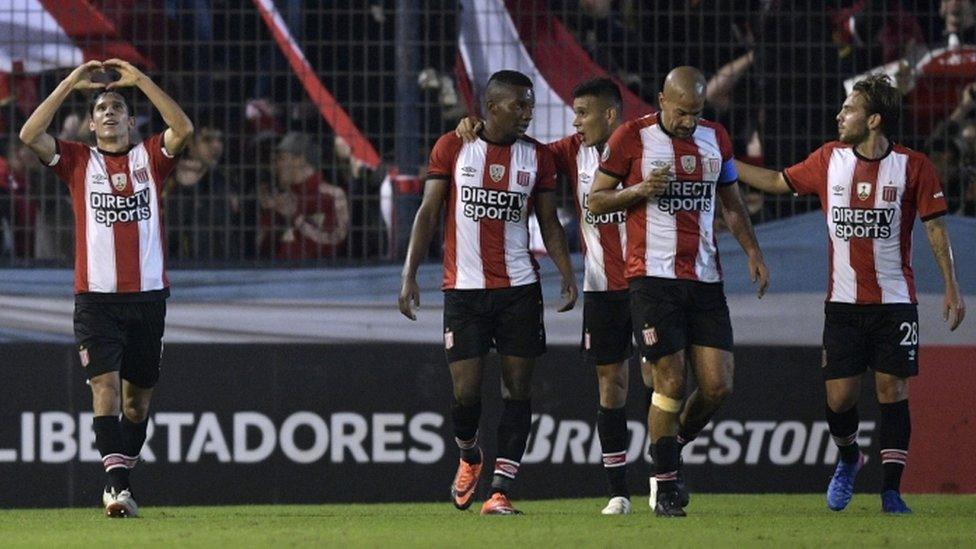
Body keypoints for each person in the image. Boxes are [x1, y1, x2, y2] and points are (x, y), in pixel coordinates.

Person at [734, 73, 966, 514]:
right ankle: (848, 458)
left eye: (849, 108)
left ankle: (891, 491)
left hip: (895, 301)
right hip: (842, 304)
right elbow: (777, 181)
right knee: (839, 399)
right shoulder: (828, 160)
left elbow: (936, 227)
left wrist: (951, 286)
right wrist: (725, 161)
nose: (840, 114)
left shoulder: (914, 166)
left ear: (874, 119)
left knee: (891, 390)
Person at [588, 66, 769, 517]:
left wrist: (752, 251)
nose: (690, 120)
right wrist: (641, 190)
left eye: (697, 112)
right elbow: (595, 199)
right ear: (663, 101)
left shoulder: (717, 138)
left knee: (717, 386)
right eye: (683, 111)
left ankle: (669, 445)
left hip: (706, 279)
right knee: (670, 380)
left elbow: (730, 202)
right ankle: (665, 486)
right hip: (651, 280)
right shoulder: (631, 137)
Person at [18, 59, 193, 517]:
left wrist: (142, 81)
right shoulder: (77, 161)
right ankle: (117, 491)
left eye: (118, 106)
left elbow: (183, 127)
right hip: (95, 299)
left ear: (131, 121)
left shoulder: (151, 158)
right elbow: (28, 136)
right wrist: (70, 83)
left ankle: (122, 480)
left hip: (148, 297)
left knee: (137, 404)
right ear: (92, 123)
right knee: (105, 390)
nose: (110, 112)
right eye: (102, 108)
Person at [398, 70, 578, 516]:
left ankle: (500, 489)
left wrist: (566, 273)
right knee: (466, 395)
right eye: (519, 106)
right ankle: (469, 455)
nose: (527, 115)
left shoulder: (537, 159)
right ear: (492, 106)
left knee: (518, 389)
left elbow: (549, 222)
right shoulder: (454, 146)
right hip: (464, 291)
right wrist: (409, 274)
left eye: (530, 107)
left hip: (519, 289)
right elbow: (428, 212)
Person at [455, 77, 634, 514]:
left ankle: (665, 478)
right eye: (574, 114)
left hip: (655, 282)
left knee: (665, 383)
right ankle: (619, 493)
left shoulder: (648, 144)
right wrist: (476, 128)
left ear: (610, 114)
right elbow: (523, 151)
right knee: (611, 386)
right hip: (602, 286)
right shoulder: (564, 152)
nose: (574, 122)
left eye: (582, 113)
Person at [258, 131, 349, 260]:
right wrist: (271, 214)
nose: (276, 165)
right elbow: (261, 250)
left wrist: (295, 216)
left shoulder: (333, 195)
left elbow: (334, 243)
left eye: (281, 158)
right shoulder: (280, 197)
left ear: (299, 160)